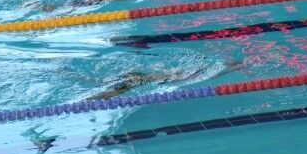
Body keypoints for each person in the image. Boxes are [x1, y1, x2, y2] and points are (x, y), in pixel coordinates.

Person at [87, 60, 244, 100]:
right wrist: (233, 68)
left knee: (101, 84)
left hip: (139, 76)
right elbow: (216, 74)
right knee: (111, 92)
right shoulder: (194, 75)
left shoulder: (190, 71)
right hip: (139, 80)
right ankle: (90, 98)